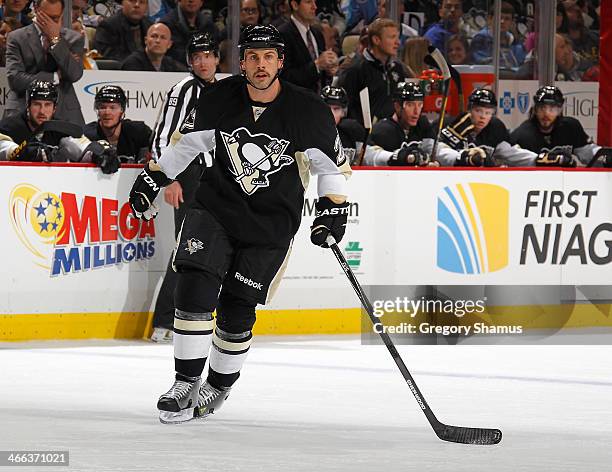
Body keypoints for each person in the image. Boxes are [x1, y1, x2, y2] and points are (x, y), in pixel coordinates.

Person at [128, 24, 351, 423]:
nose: (261, 65)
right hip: (216, 208)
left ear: (280, 62)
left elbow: (329, 168)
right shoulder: (218, 98)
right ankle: (184, 383)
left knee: (237, 308)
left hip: (271, 223)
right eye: (252, 56)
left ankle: (217, 386)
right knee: (194, 284)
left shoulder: (308, 110)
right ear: (242, 62)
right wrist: (154, 176)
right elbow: (189, 145)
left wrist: (333, 209)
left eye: (269, 57)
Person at [149, 32, 220, 343]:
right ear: (190, 61)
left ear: (217, 58)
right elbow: (164, 135)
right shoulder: (185, 88)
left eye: (208, 55)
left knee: (206, 249)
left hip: (214, 178)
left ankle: (191, 317)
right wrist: (171, 177)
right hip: (188, 175)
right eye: (197, 56)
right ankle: (164, 321)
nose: (202, 61)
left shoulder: (221, 91)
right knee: (184, 248)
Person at [0, 80, 120, 173]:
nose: (42, 111)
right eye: (37, 104)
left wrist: (97, 155)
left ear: (54, 109)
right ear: (28, 106)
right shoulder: (9, 126)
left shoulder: (60, 128)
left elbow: (79, 147)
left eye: (47, 105)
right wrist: (23, 152)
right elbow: (5, 149)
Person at [4, 0, 85, 126]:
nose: (49, 23)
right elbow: (15, 79)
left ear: (62, 13)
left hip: (64, 111)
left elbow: (74, 74)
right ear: (36, 9)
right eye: (45, 17)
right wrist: (55, 77)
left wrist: (55, 40)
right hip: (22, 109)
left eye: (54, 18)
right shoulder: (16, 37)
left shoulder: (74, 39)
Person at [510, 85, 610, 167]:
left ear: (560, 110)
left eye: (552, 108)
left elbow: (587, 152)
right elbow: (510, 158)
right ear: (535, 110)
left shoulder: (570, 127)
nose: (546, 113)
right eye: (542, 108)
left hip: (564, 184)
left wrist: (605, 158)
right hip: (534, 184)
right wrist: (541, 159)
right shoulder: (524, 133)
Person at [437, 88, 533, 167]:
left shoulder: (495, 127)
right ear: (469, 109)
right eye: (478, 111)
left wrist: (537, 158)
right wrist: (462, 157)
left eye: (488, 113)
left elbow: (510, 153)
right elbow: (437, 152)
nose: (483, 116)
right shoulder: (451, 124)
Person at [337, 18, 407, 125]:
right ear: (376, 40)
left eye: (397, 37)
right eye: (392, 37)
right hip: (365, 136)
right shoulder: (355, 70)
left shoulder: (397, 68)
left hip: (392, 132)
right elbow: (345, 110)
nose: (398, 42)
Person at [363, 81, 434, 166]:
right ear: (397, 106)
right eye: (410, 105)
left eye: (419, 105)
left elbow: (434, 151)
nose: (416, 111)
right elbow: (368, 157)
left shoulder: (422, 125)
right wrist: (395, 157)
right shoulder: (383, 129)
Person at [277, 0, 337, 92]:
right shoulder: (282, 34)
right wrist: (317, 65)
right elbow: (284, 77)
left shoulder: (317, 34)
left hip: (319, 100)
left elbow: (322, 76)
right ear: (295, 5)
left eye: (315, 2)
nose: (315, 7)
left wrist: (329, 70)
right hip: (296, 101)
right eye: (308, 2)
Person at [84, 85, 152, 163]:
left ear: (122, 110)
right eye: (102, 107)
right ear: (97, 110)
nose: (107, 112)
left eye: (113, 107)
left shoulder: (139, 132)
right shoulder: (87, 135)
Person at [160, 0, 218, 67]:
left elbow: (215, 52)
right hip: (175, 72)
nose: (191, 1)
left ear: (202, 2)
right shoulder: (167, 25)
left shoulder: (209, 26)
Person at [321, 85, 365, 166]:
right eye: (326, 108)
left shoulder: (353, 130)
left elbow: (368, 154)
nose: (331, 114)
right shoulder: (307, 133)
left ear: (343, 112)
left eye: (336, 109)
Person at [121, 22, 187, 71]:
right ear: (146, 40)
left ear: (169, 44)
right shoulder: (132, 63)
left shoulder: (171, 65)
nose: (158, 41)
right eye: (154, 36)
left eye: (163, 37)